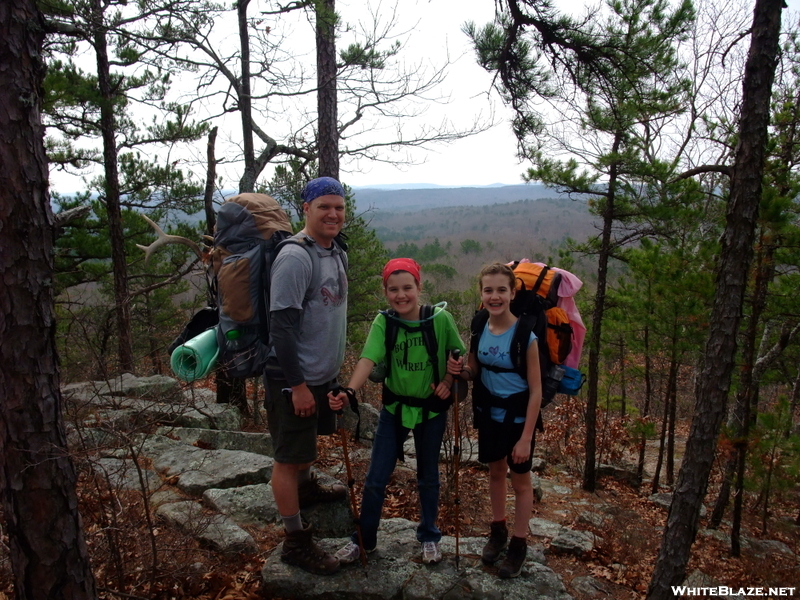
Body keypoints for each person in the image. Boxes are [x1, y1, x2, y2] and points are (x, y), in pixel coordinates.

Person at [329, 258, 466, 566]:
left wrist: (447, 379)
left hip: (431, 411)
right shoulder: (385, 322)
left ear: (419, 287)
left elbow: (457, 354)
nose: (401, 295)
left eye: (407, 288)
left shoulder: (440, 320)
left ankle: (430, 536)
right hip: (394, 409)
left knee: (428, 476)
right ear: (385, 291)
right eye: (393, 289)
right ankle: (365, 540)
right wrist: (349, 390)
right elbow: (368, 358)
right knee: (376, 478)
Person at [264, 176, 349, 575]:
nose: (333, 214)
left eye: (339, 206)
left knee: (305, 446)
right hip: (292, 377)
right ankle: (295, 541)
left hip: (320, 374)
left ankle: (307, 488)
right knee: (287, 457)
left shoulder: (334, 252)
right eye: (324, 207)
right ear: (306, 209)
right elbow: (281, 326)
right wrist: (296, 385)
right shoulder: (296, 257)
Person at [447, 262, 543, 578]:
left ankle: (518, 543)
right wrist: (463, 370)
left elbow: (536, 391)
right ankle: (498, 531)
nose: (495, 296)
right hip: (488, 414)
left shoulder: (526, 336)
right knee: (496, 471)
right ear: (481, 294)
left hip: (517, 419)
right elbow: (475, 368)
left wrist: (526, 438)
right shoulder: (479, 325)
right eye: (488, 290)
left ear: (513, 293)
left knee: (521, 480)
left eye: (502, 290)